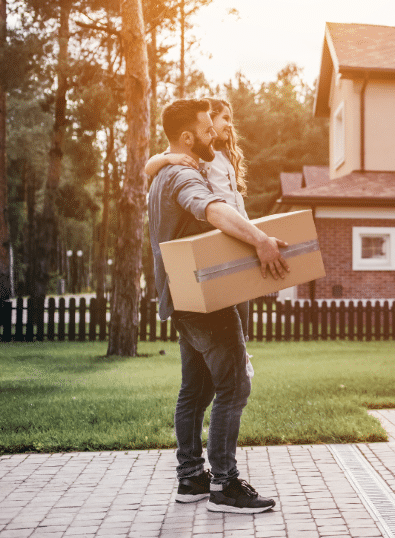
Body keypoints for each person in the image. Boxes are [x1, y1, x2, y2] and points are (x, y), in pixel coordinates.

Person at [148, 98, 289, 514]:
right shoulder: (181, 176)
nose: (216, 135)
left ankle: (191, 478)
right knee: (233, 386)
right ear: (188, 136)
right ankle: (225, 486)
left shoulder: (162, 175)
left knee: (195, 389)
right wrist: (260, 240)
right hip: (205, 303)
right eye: (208, 130)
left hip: (182, 298)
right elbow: (211, 208)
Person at [146, 97, 252, 339]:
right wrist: (167, 158)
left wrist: (249, 230)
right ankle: (240, 357)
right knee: (229, 317)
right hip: (222, 230)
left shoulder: (222, 156)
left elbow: (236, 202)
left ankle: (242, 351)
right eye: (224, 118)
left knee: (242, 308)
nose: (228, 125)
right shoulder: (197, 154)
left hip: (237, 230)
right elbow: (149, 165)